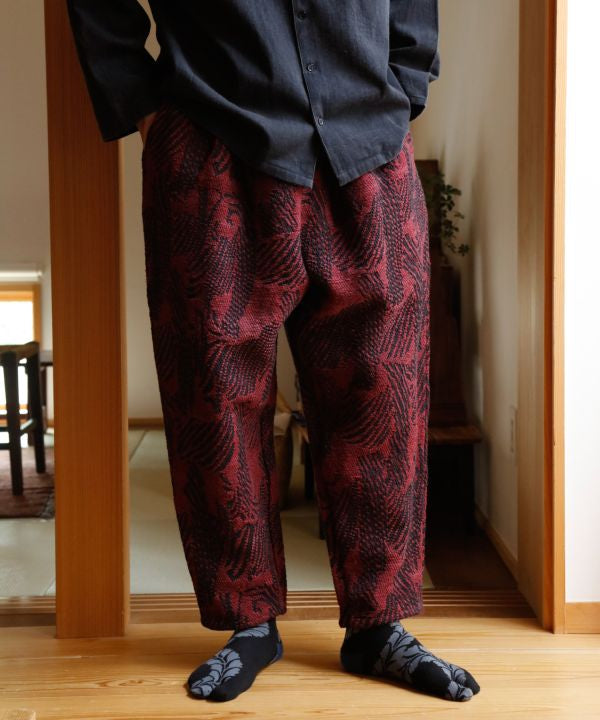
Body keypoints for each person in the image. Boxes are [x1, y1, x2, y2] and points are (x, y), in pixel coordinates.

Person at [66, 0, 480, 704]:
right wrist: (143, 105)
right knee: (215, 393)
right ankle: (248, 622)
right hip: (212, 136)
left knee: (383, 391)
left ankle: (379, 626)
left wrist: (405, 85)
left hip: (368, 142)